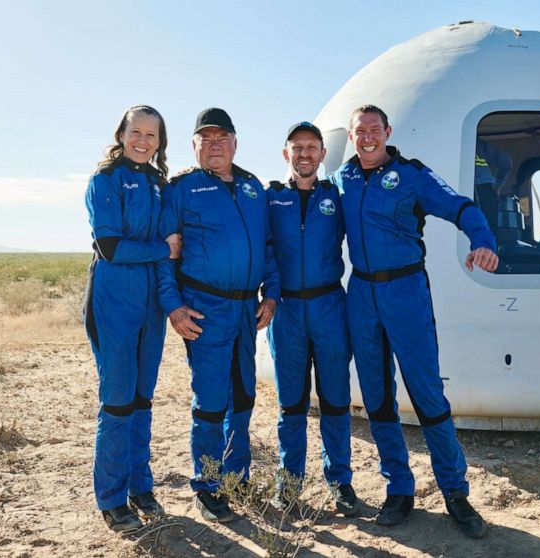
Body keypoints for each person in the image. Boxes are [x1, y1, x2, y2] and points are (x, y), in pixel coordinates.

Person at [328, 105, 499, 539]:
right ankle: (399, 489)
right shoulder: (342, 181)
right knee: (377, 396)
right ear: (351, 136)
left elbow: (461, 207)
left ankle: (455, 493)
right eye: (359, 131)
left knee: (426, 394)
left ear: (387, 131)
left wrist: (483, 241)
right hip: (362, 293)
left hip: (406, 291)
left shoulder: (412, 175)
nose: (367, 137)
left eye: (374, 130)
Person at [157, 107, 280, 523]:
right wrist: (173, 307)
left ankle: (236, 474)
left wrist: (272, 294)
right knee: (211, 402)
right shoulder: (182, 189)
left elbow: (267, 246)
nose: (214, 145)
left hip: (247, 308)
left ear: (235, 142)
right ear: (194, 146)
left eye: (221, 137)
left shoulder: (252, 188)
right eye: (205, 138)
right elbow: (166, 256)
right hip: (204, 309)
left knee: (243, 395)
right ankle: (207, 486)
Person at [83, 105, 182, 534]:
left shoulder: (159, 184)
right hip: (113, 299)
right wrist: (164, 249)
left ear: (160, 141)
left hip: (150, 306)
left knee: (143, 400)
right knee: (119, 401)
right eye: (136, 131)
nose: (143, 140)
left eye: (152, 135)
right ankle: (111, 498)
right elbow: (111, 248)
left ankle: (141, 488)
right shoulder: (104, 180)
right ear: (122, 133)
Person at [266, 122, 358, 516]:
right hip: (286, 310)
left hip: (329, 307)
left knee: (336, 401)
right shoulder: (269, 199)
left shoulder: (336, 197)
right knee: (292, 404)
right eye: (297, 147)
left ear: (322, 155)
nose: (305, 153)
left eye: (312, 147)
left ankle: (340, 483)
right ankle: (289, 486)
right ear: (286, 154)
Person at [473, 138, 513, 229]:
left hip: (482, 193)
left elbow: (506, 161)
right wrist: (498, 186)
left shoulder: (479, 145)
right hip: (486, 192)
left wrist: (498, 185)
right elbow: (506, 161)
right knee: (488, 232)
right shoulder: (479, 144)